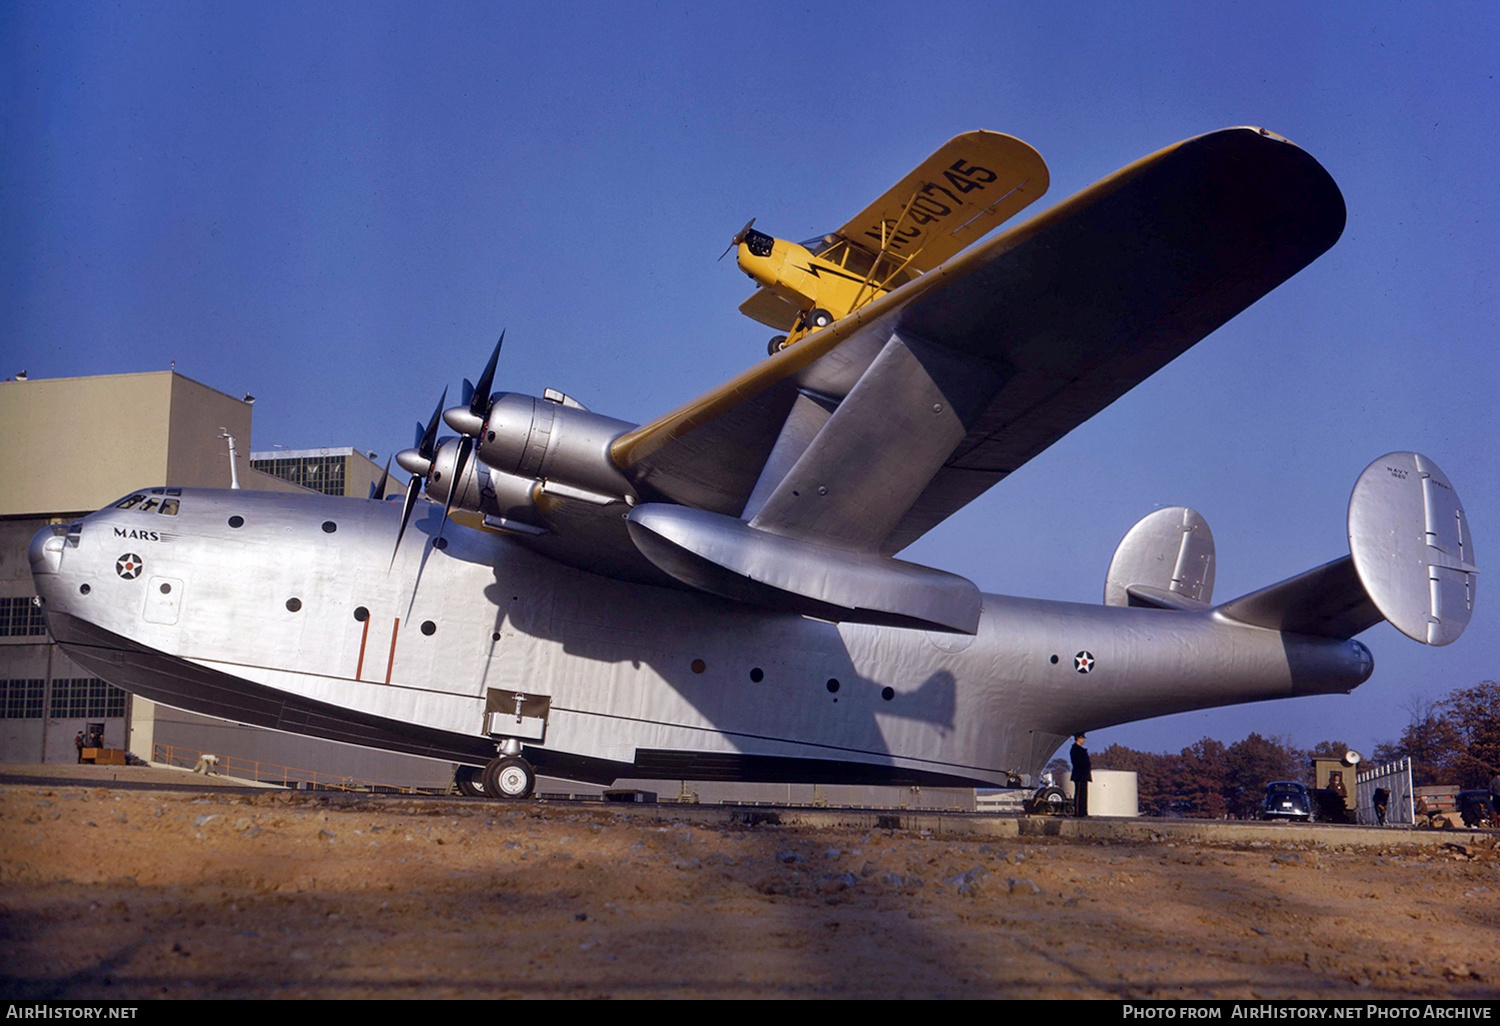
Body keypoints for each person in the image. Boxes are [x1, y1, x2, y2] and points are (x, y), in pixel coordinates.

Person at [1070, 732, 1092, 817]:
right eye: (1082, 738)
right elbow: (1076, 762)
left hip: (1083, 775)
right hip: (1079, 774)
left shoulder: (1080, 749)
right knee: (1079, 794)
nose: (1084, 740)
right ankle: (1078, 812)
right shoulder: (1075, 749)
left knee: (1084, 794)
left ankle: (1083, 811)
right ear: (1079, 738)